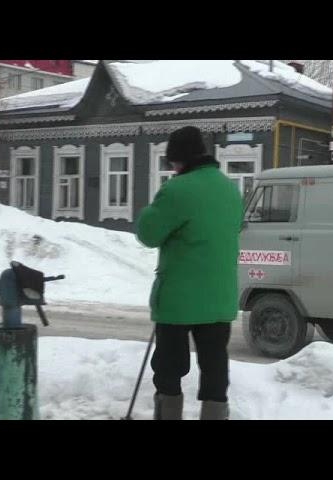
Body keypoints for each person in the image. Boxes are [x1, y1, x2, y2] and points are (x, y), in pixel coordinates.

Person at [136, 126, 243, 420]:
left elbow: (148, 233)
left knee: (169, 369)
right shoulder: (229, 189)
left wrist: (151, 209)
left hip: (178, 300)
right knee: (215, 367)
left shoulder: (176, 190)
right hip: (220, 297)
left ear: (178, 159)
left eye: (171, 161)